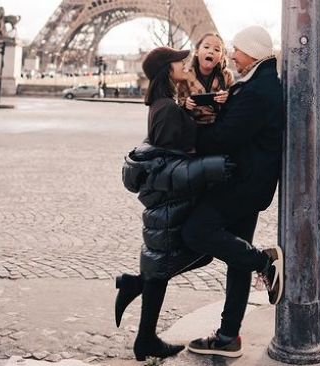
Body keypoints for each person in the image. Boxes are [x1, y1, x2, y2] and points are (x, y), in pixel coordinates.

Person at [116, 46, 235, 361]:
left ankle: (139, 303)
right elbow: (167, 166)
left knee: (170, 263)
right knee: (176, 261)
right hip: (171, 202)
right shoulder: (167, 108)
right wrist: (209, 168)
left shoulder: (165, 104)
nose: (185, 63)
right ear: (167, 69)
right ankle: (144, 334)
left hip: (172, 202)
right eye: (178, 61)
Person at [181, 25, 284, 358]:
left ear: (251, 52)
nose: (232, 57)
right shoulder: (257, 84)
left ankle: (265, 263)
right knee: (236, 259)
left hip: (242, 183)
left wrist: (186, 134)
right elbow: (241, 127)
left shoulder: (256, 90)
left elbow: (224, 137)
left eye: (236, 50)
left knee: (196, 230)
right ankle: (228, 337)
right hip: (251, 183)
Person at [177, 32, 234, 124]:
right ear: (196, 52)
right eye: (206, 47)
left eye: (217, 49)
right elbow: (179, 101)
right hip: (192, 128)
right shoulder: (185, 75)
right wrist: (185, 104)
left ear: (221, 57)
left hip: (220, 126)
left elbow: (235, 102)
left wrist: (228, 98)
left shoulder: (227, 75)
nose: (211, 51)